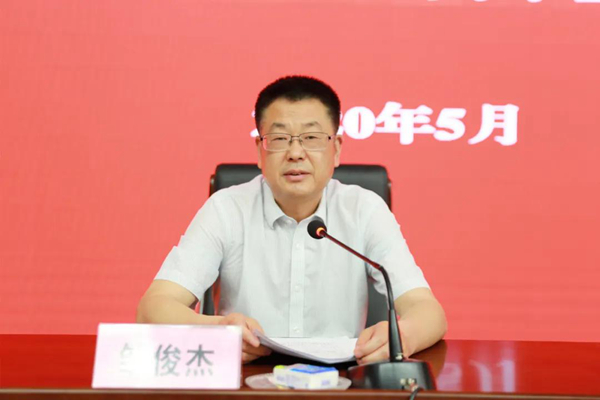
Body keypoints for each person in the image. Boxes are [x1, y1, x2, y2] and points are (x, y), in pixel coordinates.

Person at [136, 76, 447, 364]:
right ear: (260, 151)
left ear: (336, 149)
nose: (295, 152)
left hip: (341, 384)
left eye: (311, 137)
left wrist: (402, 337)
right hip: (245, 382)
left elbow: (428, 311)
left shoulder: (364, 210)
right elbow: (153, 308)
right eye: (280, 138)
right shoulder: (226, 209)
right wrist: (216, 331)